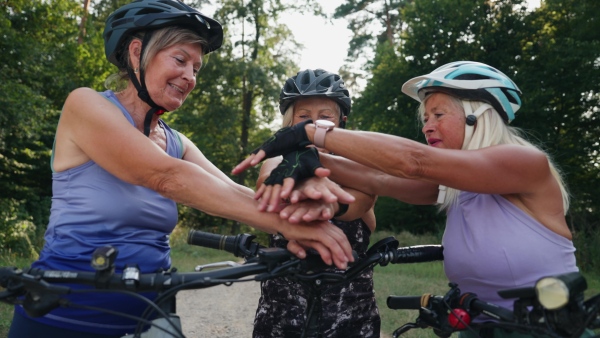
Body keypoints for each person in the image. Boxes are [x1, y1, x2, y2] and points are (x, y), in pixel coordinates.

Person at [7, 1, 354, 337]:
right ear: (136, 52)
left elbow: (237, 194)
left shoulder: (177, 142)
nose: (189, 76)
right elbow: (167, 177)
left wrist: (299, 221)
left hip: (150, 314)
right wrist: (285, 223)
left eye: (196, 68)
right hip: (63, 315)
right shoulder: (86, 105)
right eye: (180, 59)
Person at [234, 61, 584, 338]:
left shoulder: (524, 162)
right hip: (480, 325)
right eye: (425, 117)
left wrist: (309, 132)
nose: (427, 126)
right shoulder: (454, 186)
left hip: (544, 328)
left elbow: (413, 162)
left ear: (479, 114)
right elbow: (379, 178)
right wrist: (311, 157)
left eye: (438, 114)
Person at [252, 69, 380, 338]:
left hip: (351, 314)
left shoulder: (358, 170)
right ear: (290, 123)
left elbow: (363, 199)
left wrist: (332, 204)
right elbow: (267, 178)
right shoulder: (277, 161)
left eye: (325, 116)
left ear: (341, 123)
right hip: (283, 314)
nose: (313, 125)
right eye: (304, 116)